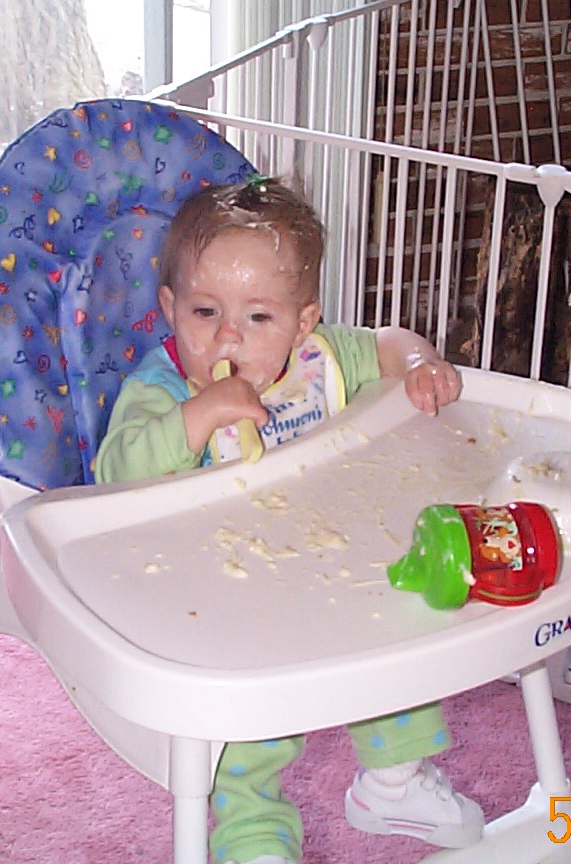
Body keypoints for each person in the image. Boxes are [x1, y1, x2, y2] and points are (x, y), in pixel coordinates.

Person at [94, 177, 481, 864]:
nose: (228, 336)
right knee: (249, 731)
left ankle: (393, 781)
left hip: (322, 568)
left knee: (397, 633)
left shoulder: (318, 362)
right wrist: (197, 417)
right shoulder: (161, 390)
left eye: (258, 318)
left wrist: (419, 363)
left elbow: (387, 342)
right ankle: (254, 839)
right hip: (214, 600)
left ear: (303, 324)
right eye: (204, 311)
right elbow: (116, 472)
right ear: (170, 307)